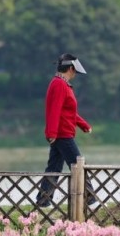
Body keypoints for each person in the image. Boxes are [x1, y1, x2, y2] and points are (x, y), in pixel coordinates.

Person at [36, 54, 95, 207]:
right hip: (62, 135)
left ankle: (43, 201)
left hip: (61, 134)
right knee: (79, 166)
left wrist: (83, 124)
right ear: (70, 68)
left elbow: (68, 112)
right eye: (75, 71)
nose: (75, 74)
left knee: (54, 168)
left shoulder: (61, 84)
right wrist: (52, 134)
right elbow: (54, 110)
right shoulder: (60, 85)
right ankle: (91, 199)